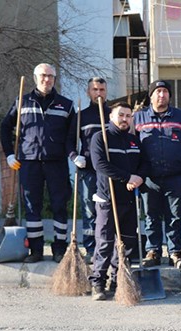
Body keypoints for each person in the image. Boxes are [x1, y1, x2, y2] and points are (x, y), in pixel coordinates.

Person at [0, 63, 76, 263]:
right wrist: (9, 154)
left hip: (56, 163)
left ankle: (60, 248)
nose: (47, 79)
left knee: (60, 205)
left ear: (55, 79)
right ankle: (36, 250)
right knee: (32, 206)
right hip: (29, 162)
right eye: (43, 75)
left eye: (51, 76)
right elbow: (5, 127)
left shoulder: (66, 105)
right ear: (35, 78)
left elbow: (71, 136)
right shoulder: (22, 102)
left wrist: (74, 155)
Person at [134, 80, 181, 270]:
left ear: (169, 95)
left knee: (174, 217)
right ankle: (153, 250)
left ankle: (175, 252)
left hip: (176, 176)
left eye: (165, 92)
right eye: (158, 91)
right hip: (149, 178)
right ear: (151, 95)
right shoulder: (138, 118)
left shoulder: (180, 116)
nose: (162, 95)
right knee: (151, 217)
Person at [88, 102, 147, 301]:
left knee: (126, 243)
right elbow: (100, 165)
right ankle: (98, 282)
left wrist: (138, 177)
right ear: (111, 117)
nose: (125, 119)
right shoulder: (101, 138)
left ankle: (117, 280)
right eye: (121, 115)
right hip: (107, 199)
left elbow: (143, 164)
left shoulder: (133, 140)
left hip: (129, 200)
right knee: (105, 243)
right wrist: (127, 177)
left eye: (128, 116)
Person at [70, 77, 110, 264]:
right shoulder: (80, 116)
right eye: (95, 90)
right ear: (88, 92)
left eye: (102, 89)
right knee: (88, 210)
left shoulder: (113, 115)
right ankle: (90, 247)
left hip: (109, 170)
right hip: (88, 171)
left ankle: (108, 246)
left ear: (106, 91)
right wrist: (74, 157)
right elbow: (69, 143)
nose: (98, 93)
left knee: (110, 209)